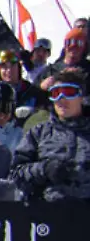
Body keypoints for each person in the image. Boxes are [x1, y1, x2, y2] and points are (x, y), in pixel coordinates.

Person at [11, 71, 90, 202]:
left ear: (81, 96)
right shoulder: (39, 133)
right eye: (55, 93)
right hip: (49, 213)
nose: (61, 99)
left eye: (69, 92)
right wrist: (44, 169)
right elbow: (15, 175)